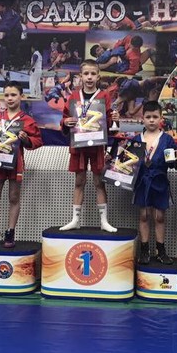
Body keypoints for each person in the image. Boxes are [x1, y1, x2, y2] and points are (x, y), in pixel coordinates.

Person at [0, 82, 43, 248]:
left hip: (15, 164)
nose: (10, 98)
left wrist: (26, 139)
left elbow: (37, 140)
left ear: (21, 96)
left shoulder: (27, 120)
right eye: (7, 95)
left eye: (13, 95)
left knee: (13, 198)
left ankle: (10, 233)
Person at [60, 60, 119, 232]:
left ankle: (104, 221)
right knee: (79, 181)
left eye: (93, 74)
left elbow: (109, 122)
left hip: (97, 145)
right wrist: (66, 122)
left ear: (98, 76)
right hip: (79, 145)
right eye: (86, 74)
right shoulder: (73, 97)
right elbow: (65, 117)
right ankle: (75, 220)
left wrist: (114, 120)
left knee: (99, 182)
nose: (89, 77)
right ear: (80, 76)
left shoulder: (104, 96)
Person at [132, 101, 177, 265]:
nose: (151, 120)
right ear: (142, 118)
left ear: (161, 118)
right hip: (142, 183)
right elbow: (129, 164)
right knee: (144, 216)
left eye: (155, 117)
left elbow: (174, 165)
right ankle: (144, 250)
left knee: (159, 217)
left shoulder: (167, 140)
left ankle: (161, 251)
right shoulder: (136, 140)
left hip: (160, 182)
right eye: (148, 117)